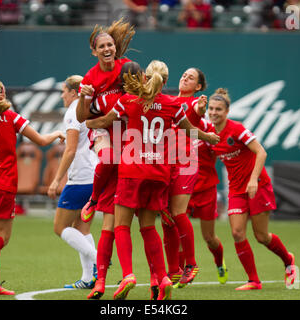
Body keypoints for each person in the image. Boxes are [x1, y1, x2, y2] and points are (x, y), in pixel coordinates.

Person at [86, 60, 220, 300]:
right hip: (158, 172)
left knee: (121, 226)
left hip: (132, 171)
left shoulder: (128, 100)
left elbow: (105, 122)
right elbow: (190, 129)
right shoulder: (173, 105)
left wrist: (86, 123)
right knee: (149, 227)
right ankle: (164, 276)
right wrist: (209, 137)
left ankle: (128, 275)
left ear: (144, 78)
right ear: (165, 81)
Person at [0, 79, 65, 295]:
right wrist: (56, 133)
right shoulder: (11, 117)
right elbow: (42, 141)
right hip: (2, 184)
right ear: (1, 95)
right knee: (1, 238)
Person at [207, 88, 296, 290]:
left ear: (227, 111)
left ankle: (288, 260)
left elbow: (261, 152)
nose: (214, 112)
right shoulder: (210, 134)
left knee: (261, 236)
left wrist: (254, 180)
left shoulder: (236, 129)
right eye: (211, 108)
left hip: (258, 186)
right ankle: (254, 281)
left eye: (218, 109)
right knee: (237, 233)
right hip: (236, 190)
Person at [75, 18, 136, 300]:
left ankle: (104, 282)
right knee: (108, 158)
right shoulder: (89, 79)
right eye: (102, 46)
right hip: (104, 134)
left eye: (110, 44)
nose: (107, 48)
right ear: (94, 51)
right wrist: (84, 99)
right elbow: (82, 119)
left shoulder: (128, 69)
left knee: (111, 225)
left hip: (130, 140)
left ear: (115, 46)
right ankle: (93, 199)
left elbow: (143, 98)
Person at [162, 68, 228, 290]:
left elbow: (197, 112)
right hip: (169, 165)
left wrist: (200, 108)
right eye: (183, 75)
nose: (184, 78)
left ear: (199, 87)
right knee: (168, 219)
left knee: (206, 235)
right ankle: (174, 271)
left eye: (191, 77)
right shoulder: (170, 101)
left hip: (193, 173)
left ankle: (198, 264)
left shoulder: (192, 105)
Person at [47, 75, 99, 289]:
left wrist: (57, 179)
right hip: (94, 174)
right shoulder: (89, 108)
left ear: (74, 92)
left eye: (64, 91)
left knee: (60, 228)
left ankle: (99, 260)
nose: (62, 95)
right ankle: (88, 279)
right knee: (82, 229)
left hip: (80, 178)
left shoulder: (72, 113)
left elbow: (70, 150)